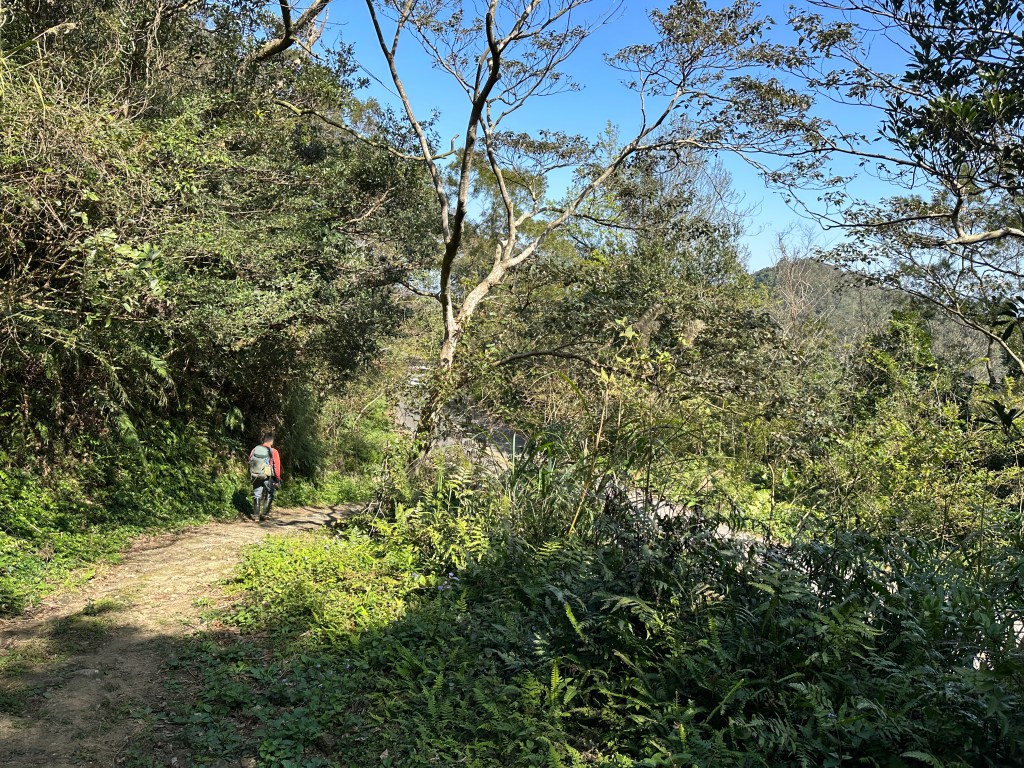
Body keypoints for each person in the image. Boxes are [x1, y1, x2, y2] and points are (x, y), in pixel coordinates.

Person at [248, 431, 282, 520]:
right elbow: (276, 466)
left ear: (264, 440)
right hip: (267, 475)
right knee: (270, 492)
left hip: (256, 474)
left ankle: (256, 516)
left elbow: (250, 460)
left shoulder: (255, 449)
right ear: (271, 441)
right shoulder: (273, 451)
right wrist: (278, 478)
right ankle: (264, 514)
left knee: (257, 494)